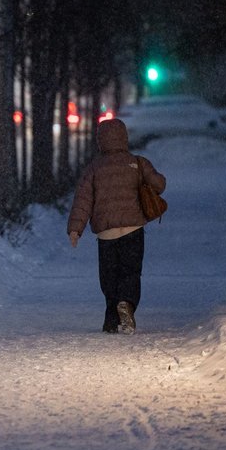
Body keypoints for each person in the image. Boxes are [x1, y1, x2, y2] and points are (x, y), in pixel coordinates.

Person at [67, 118, 166, 334]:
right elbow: (160, 185)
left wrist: (75, 229)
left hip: (106, 234)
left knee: (109, 276)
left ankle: (111, 319)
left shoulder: (94, 168)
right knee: (130, 271)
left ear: (100, 140)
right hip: (133, 229)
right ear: (124, 138)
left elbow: (83, 200)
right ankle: (126, 303)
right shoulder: (137, 163)